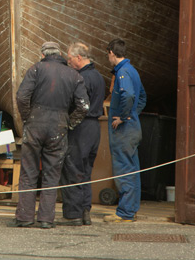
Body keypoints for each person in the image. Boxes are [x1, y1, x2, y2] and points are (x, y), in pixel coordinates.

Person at [9, 42, 90, 229]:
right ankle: (46, 219)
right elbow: (84, 106)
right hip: (59, 127)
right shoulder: (74, 75)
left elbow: (22, 96)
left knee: (29, 171)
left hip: (35, 124)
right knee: (52, 174)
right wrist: (70, 122)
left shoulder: (36, 69)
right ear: (60, 54)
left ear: (43, 53)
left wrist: (28, 117)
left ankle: (25, 217)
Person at [58, 42, 106, 226]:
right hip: (95, 128)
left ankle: (73, 214)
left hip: (82, 127)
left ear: (79, 58)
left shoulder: (81, 78)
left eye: (70, 59)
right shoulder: (99, 77)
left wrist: (69, 123)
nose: (68, 62)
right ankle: (85, 211)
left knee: (73, 169)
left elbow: (79, 106)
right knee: (85, 171)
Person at [103, 38, 147, 223]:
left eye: (107, 54)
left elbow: (128, 95)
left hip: (124, 131)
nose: (108, 57)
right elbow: (142, 97)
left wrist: (124, 117)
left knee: (124, 169)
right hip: (132, 128)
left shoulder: (123, 72)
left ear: (112, 52)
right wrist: (133, 115)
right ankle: (131, 210)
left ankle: (125, 213)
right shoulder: (133, 71)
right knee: (132, 169)